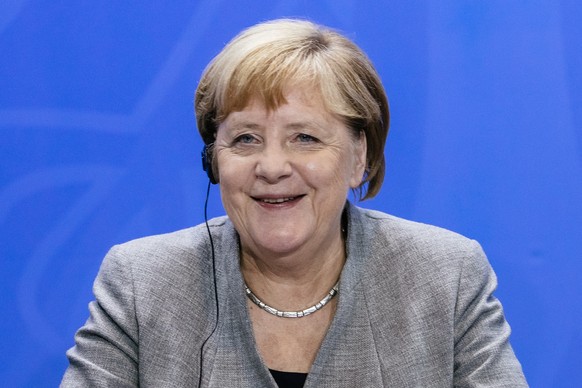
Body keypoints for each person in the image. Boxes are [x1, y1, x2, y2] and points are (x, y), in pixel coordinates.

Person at [61, 19, 527, 387]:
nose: (272, 166)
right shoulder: (143, 282)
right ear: (213, 162)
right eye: (245, 139)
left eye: (304, 138)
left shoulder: (446, 276)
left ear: (358, 157)